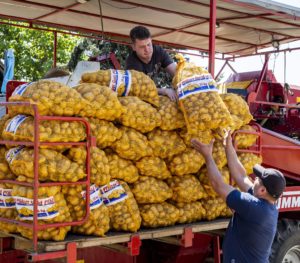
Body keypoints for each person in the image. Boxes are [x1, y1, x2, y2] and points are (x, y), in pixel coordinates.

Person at [191, 131, 286, 263]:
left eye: (258, 179)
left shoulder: (253, 207)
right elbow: (241, 176)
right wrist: (228, 145)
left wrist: (207, 155)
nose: (255, 179)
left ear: (263, 190)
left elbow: (218, 185)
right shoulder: (266, 204)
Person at [126, 26, 177, 101]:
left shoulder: (158, 51)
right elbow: (142, 89)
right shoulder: (132, 63)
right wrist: (164, 91)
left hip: (154, 95)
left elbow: (175, 72)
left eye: (149, 44)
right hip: (138, 100)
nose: (147, 49)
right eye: (142, 47)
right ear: (133, 47)